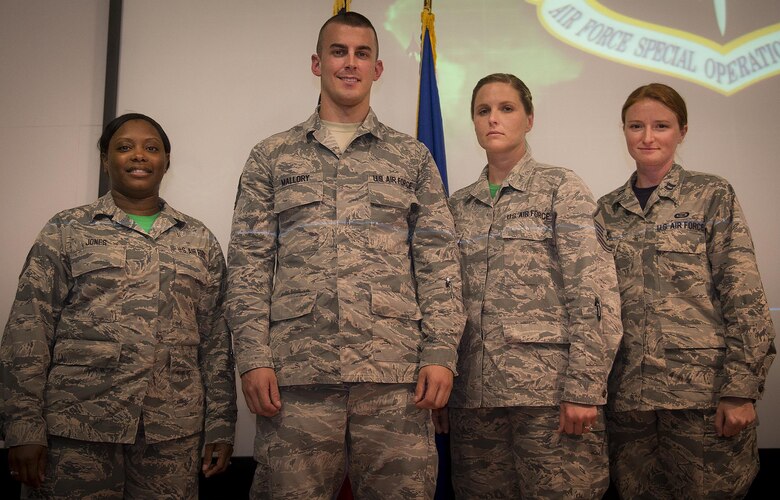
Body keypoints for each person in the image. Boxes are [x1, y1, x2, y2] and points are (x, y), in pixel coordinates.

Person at [226, 11, 465, 500]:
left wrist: (441, 352)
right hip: (297, 380)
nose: (350, 63)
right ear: (317, 63)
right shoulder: (271, 157)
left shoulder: (412, 158)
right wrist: (252, 358)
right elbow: (248, 265)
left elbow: (439, 263)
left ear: (377, 69)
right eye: (339, 52)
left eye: (362, 54)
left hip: (396, 381)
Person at [1, 113, 237, 498]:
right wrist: (23, 428)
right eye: (124, 147)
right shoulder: (67, 229)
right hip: (78, 428)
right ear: (105, 160)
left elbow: (216, 344)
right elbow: (28, 330)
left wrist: (222, 424)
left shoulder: (199, 240)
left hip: (171, 435)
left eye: (151, 148)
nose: (139, 155)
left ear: (166, 161)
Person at [444, 73, 622, 498]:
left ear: (529, 119)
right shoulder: (457, 205)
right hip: (474, 401)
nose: (493, 119)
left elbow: (595, 293)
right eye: (483, 111)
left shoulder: (561, 188)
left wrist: (583, 386)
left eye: (506, 109)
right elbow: (444, 299)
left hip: (550, 399)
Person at [598, 83, 776, 499]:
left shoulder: (711, 195)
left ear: (683, 131)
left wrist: (739, 390)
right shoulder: (606, 210)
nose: (647, 137)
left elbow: (744, 296)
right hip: (629, 403)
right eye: (636, 126)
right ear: (623, 131)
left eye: (661, 125)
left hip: (701, 396)